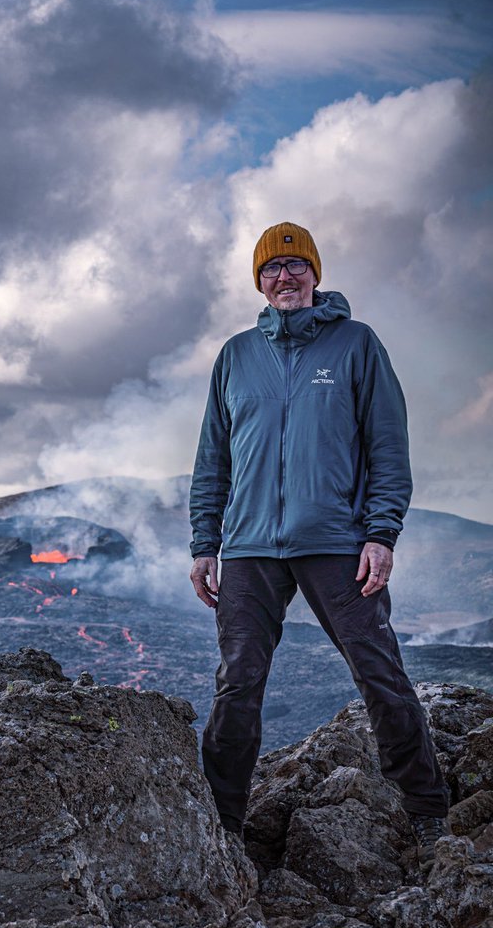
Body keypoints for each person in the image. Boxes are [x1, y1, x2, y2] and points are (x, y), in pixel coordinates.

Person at [188, 221, 449, 873]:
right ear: (259, 280)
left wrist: (381, 534)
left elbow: (389, 447)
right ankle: (222, 827)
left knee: (378, 669)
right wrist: (204, 542)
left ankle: (429, 810)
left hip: (336, 540)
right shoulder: (235, 355)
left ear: (314, 273)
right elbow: (212, 458)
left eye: (295, 265)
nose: (284, 277)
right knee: (237, 682)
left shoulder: (356, 345)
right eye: (271, 269)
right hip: (248, 547)